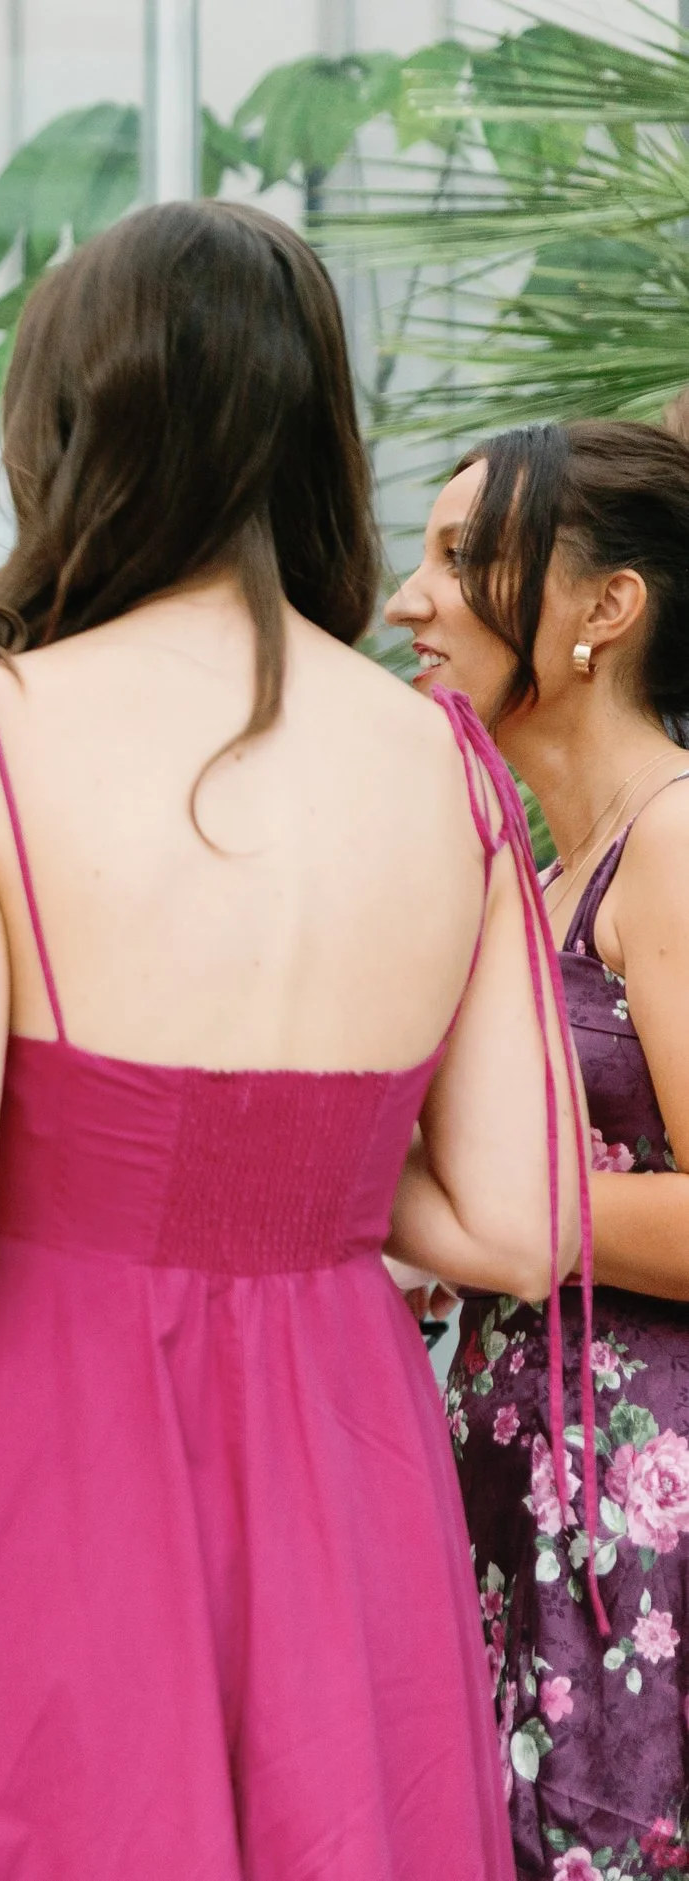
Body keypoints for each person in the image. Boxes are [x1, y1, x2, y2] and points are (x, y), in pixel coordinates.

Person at [0, 200, 586, 1880]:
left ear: (73, 431)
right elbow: (526, 1224)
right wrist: (304, 1177)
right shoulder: (448, 767)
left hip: (35, 1432)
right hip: (338, 1443)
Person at [386, 421, 689, 1877]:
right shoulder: (552, 870)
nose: (409, 599)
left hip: (650, 1533)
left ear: (606, 609)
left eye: (462, 556)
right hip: (528, 1506)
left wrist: (489, 1211)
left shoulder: (680, 847)